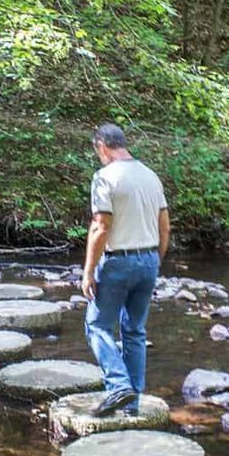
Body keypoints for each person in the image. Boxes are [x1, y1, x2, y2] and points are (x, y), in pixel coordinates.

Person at [81, 122, 170, 415]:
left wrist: (88, 271)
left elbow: (100, 227)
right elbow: (164, 226)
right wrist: (155, 259)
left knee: (97, 325)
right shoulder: (150, 176)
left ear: (102, 147)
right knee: (134, 330)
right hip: (148, 259)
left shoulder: (104, 177)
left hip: (118, 261)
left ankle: (119, 386)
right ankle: (133, 401)